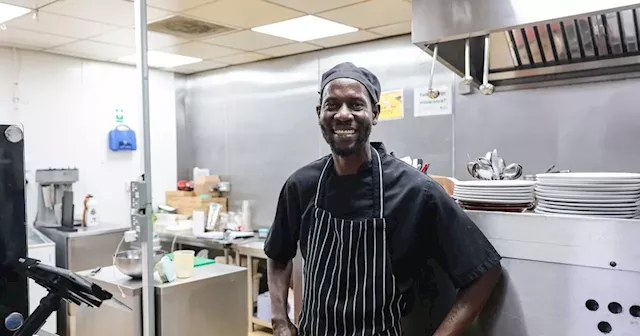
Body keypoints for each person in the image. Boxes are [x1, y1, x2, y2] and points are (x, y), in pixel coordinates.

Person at [264, 62, 502, 336]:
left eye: (356, 105)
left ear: (375, 112)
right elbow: (278, 255)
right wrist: (280, 321)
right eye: (332, 105)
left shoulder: (415, 192)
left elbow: (484, 272)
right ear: (320, 113)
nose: (343, 115)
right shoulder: (301, 185)